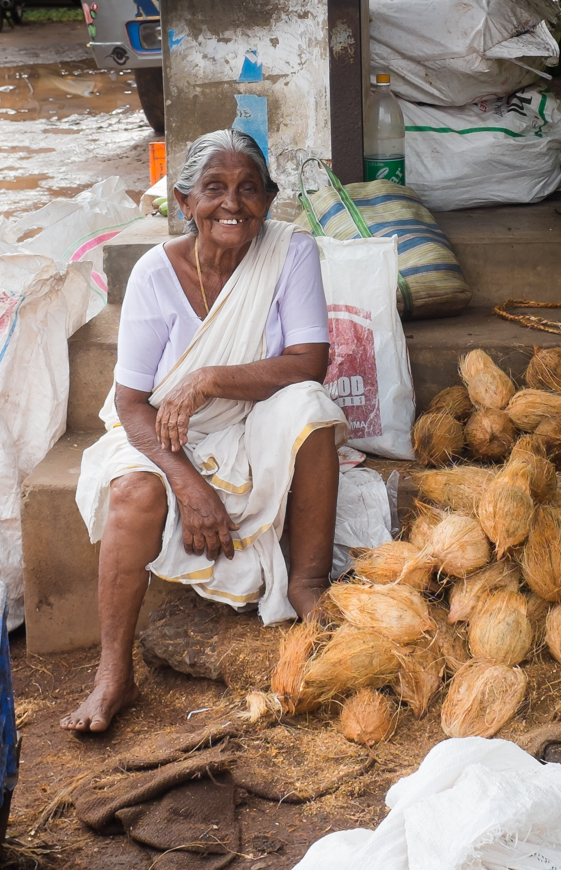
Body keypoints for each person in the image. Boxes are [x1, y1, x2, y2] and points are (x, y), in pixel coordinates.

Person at [61, 129, 348, 733]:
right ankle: (113, 674)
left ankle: (306, 586)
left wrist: (211, 377)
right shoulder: (152, 274)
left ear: (269, 199)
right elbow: (132, 401)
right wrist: (189, 486)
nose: (232, 204)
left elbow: (307, 362)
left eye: (248, 189)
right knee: (133, 493)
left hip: (250, 417)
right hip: (162, 431)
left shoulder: (290, 252)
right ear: (185, 203)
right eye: (214, 189)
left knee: (312, 408)